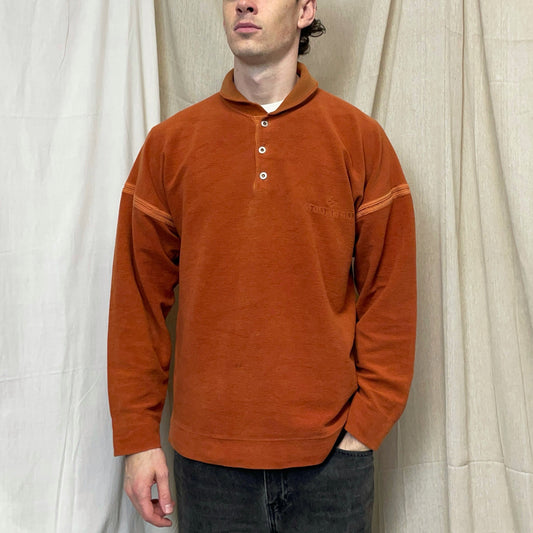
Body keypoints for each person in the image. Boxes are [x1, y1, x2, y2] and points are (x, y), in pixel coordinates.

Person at [107, 0, 417, 531]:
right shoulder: (170, 145)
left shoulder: (359, 140)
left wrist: (363, 429)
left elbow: (390, 296)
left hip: (331, 463)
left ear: (304, 10)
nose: (244, 3)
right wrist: (138, 439)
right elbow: (136, 302)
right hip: (208, 467)